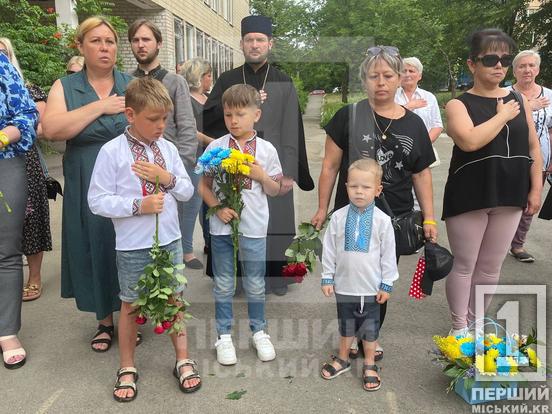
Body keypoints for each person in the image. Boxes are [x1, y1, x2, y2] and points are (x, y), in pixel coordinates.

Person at [311, 46, 437, 359]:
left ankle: (371, 336)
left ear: (400, 79)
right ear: (364, 80)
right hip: (350, 213)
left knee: (381, 279)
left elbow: (421, 174)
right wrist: (321, 208)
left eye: (388, 75)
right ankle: (350, 337)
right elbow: (329, 166)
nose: (380, 82)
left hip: (392, 218)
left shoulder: (414, 125)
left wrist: (430, 218)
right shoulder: (347, 116)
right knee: (349, 276)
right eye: (373, 76)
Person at [88, 77, 199, 402]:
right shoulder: (112, 152)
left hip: (170, 240)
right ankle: (127, 366)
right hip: (133, 245)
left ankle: (182, 359)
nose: (161, 125)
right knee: (130, 304)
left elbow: (187, 191)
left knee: (174, 300)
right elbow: (97, 201)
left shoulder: (168, 148)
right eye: (153, 119)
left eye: (164, 118)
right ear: (130, 115)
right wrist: (138, 206)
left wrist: (166, 179)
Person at [203, 15, 314, 296]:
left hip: (272, 167)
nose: (254, 45)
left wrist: (288, 171)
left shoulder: (282, 80)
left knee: (275, 223)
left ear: (270, 44)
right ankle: (236, 280)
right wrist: (243, 102)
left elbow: (292, 127)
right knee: (236, 218)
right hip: (234, 165)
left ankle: (275, 278)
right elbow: (209, 117)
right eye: (249, 40)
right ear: (241, 43)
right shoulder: (228, 80)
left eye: (260, 40)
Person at [42, 16, 134, 352]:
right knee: (94, 243)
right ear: (80, 46)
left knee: (125, 244)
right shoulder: (64, 87)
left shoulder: (131, 83)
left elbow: (152, 126)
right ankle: (104, 321)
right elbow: (52, 130)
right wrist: (101, 106)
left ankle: (130, 315)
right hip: (86, 175)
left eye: (109, 41)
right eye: (96, 41)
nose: (104, 47)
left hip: (127, 176)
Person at [443, 30, 542, 337]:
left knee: (490, 267)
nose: (499, 66)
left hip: (510, 193)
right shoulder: (458, 105)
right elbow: (469, 141)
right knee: (465, 264)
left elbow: (533, 147)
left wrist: (535, 188)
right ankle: (459, 329)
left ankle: (476, 322)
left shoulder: (518, 100)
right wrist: (502, 116)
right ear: (473, 64)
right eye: (490, 59)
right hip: (470, 193)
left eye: (505, 60)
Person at [199, 84, 282, 365]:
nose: (233, 121)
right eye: (228, 115)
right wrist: (218, 207)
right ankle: (224, 336)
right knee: (223, 284)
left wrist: (260, 175)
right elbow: (204, 186)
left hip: (255, 227)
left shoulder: (267, 150)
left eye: (240, 114)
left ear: (256, 115)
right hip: (222, 228)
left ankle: (259, 331)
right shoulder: (216, 147)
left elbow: (275, 189)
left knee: (256, 284)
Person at [319, 159, 398, 391]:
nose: (359, 192)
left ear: (378, 189)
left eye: (366, 187)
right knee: (346, 326)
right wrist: (327, 277)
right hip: (344, 287)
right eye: (354, 186)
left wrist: (387, 284)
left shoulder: (383, 221)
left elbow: (388, 255)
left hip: (371, 289)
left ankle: (370, 364)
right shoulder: (339, 217)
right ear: (346, 187)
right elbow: (330, 249)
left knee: (370, 329)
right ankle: (343, 358)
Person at [128, 19, 200, 269]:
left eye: (146, 39)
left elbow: (187, 126)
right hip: (137, 165)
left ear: (158, 43)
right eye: (136, 40)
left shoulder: (175, 81)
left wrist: (182, 164)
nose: (141, 45)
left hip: (171, 165)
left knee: (172, 226)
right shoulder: (127, 82)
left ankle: (172, 285)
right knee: (142, 226)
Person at [0, 37, 52, 302]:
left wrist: (10, 133)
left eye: (3, 51)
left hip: (23, 158)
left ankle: (34, 276)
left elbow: (39, 128)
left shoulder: (28, 89)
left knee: (31, 220)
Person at [0, 52, 38, 369]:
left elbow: (27, 114)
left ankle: (7, 331)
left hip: (4, 160)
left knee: (5, 252)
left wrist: (3, 136)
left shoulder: (2, 65)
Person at [506, 50, 552, 263]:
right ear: (514, 70)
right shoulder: (504, 93)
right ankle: (498, 241)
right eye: (522, 66)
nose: (527, 70)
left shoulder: (549, 95)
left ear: (538, 69)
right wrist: (529, 107)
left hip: (539, 158)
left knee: (531, 202)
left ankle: (518, 245)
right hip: (507, 156)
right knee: (505, 201)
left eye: (531, 65)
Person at [179, 58, 215, 254]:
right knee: (193, 202)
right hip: (195, 156)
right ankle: (186, 250)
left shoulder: (208, 97)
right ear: (199, 77)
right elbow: (190, 130)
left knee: (209, 199)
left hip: (210, 157)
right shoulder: (186, 99)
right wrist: (214, 142)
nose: (210, 79)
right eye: (208, 75)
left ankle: (209, 241)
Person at [395, 57, 443, 171]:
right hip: (396, 151)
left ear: (419, 76)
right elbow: (387, 119)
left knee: (422, 186)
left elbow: (437, 125)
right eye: (404, 71)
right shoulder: (391, 96)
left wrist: (422, 144)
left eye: (411, 71)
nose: (407, 74)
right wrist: (409, 106)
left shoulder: (429, 97)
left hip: (422, 151)